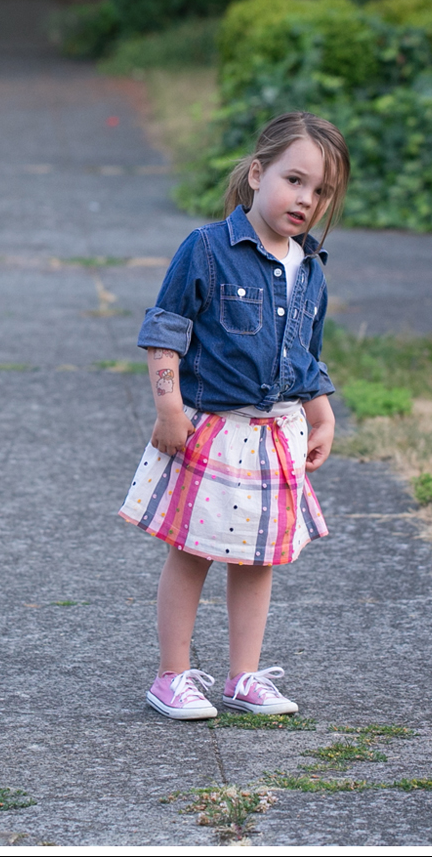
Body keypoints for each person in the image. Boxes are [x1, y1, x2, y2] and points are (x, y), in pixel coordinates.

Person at [119, 111, 351, 720]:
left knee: (257, 558)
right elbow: (165, 333)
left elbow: (305, 355)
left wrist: (322, 416)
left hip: (277, 435)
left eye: (321, 190)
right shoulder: (206, 250)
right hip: (213, 432)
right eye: (294, 180)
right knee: (193, 551)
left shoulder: (311, 270)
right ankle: (172, 676)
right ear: (256, 173)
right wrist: (169, 408)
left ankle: (243, 677)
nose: (306, 199)